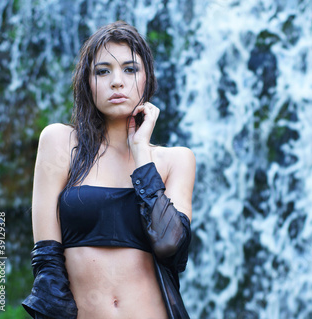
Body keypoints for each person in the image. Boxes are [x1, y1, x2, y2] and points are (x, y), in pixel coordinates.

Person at [22, 21, 195, 319]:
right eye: (103, 71)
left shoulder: (176, 160)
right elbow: (47, 262)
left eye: (130, 70)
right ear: (88, 83)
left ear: (148, 79)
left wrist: (141, 152)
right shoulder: (60, 142)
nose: (117, 81)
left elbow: (171, 246)